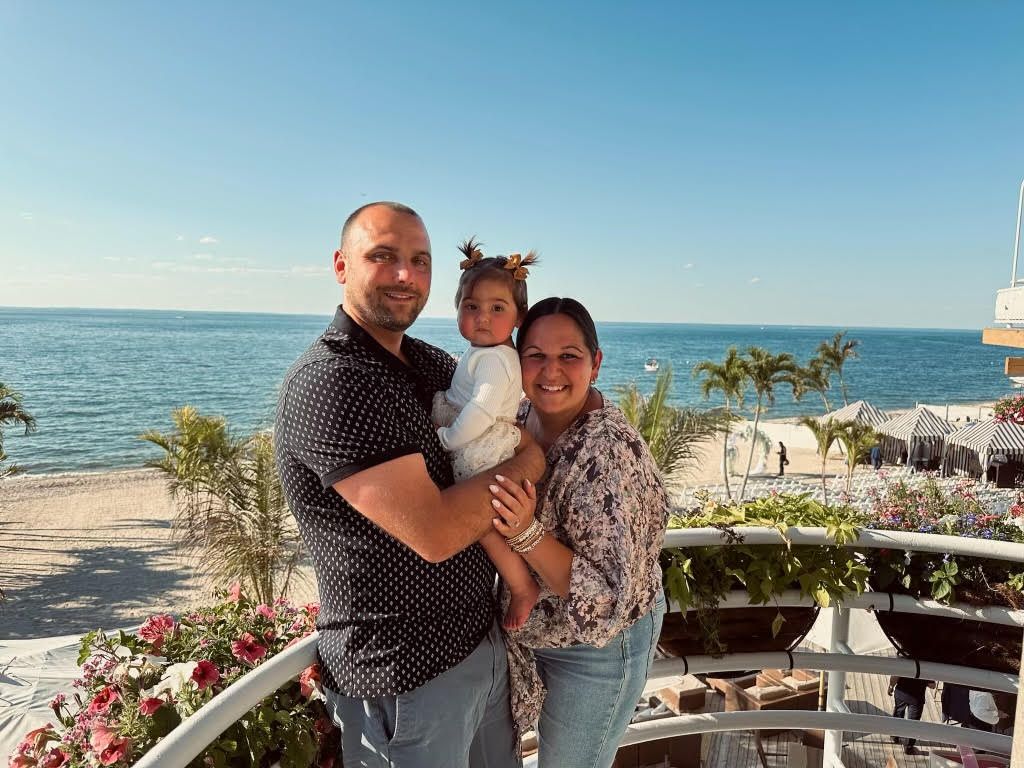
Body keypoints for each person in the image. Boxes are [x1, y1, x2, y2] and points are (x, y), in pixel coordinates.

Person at [274, 201, 545, 768]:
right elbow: (438, 531)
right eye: (384, 256)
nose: (405, 274)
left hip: (480, 643)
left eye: (419, 261)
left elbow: (503, 420)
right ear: (341, 265)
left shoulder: (427, 360)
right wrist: (531, 464)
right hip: (409, 673)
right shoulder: (334, 383)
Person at [488, 297, 669, 768]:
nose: (552, 371)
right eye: (536, 355)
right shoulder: (522, 414)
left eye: (569, 356)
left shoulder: (605, 454)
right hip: (535, 631)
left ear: (596, 364)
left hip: (597, 650)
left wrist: (526, 531)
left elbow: (607, 594)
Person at [432, 238, 540, 630]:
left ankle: (521, 585)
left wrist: (447, 439)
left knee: (485, 526)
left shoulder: (495, 359)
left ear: (517, 318)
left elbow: (481, 411)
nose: (482, 317)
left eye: (497, 308)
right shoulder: (484, 353)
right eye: (471, 306)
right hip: (478, 443)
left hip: (480, 450)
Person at [888, 676, 935, 755]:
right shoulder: (926, 665)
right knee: (913, 723)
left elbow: (895, 677)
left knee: (898, 714)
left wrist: (891, 686)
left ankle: (895, 736)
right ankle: (909, 747)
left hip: (901, 694)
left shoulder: (904, 663)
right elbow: (932, 685)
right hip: (917, 698)